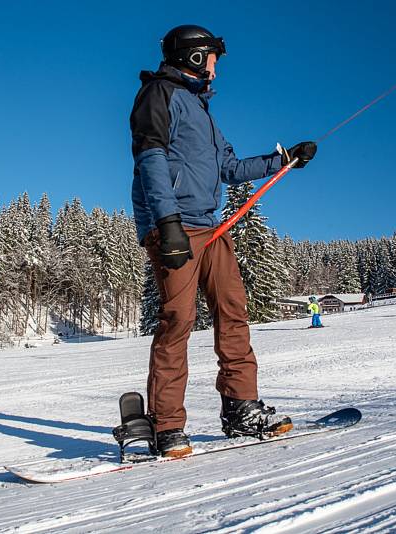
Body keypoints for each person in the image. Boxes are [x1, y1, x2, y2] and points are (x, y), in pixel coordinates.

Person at [131, 24, 317, 457]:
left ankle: (240, 408)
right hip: (177, 226)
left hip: (211, 229)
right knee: (178, 319)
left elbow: (229, 168)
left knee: (233, 311)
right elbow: (150, 159)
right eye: (213, 57)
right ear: (195, 56)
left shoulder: (203, 111)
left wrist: (283, 160)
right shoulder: (158, 94)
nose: (217, 67)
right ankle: (167, 425)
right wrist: (168, 222)